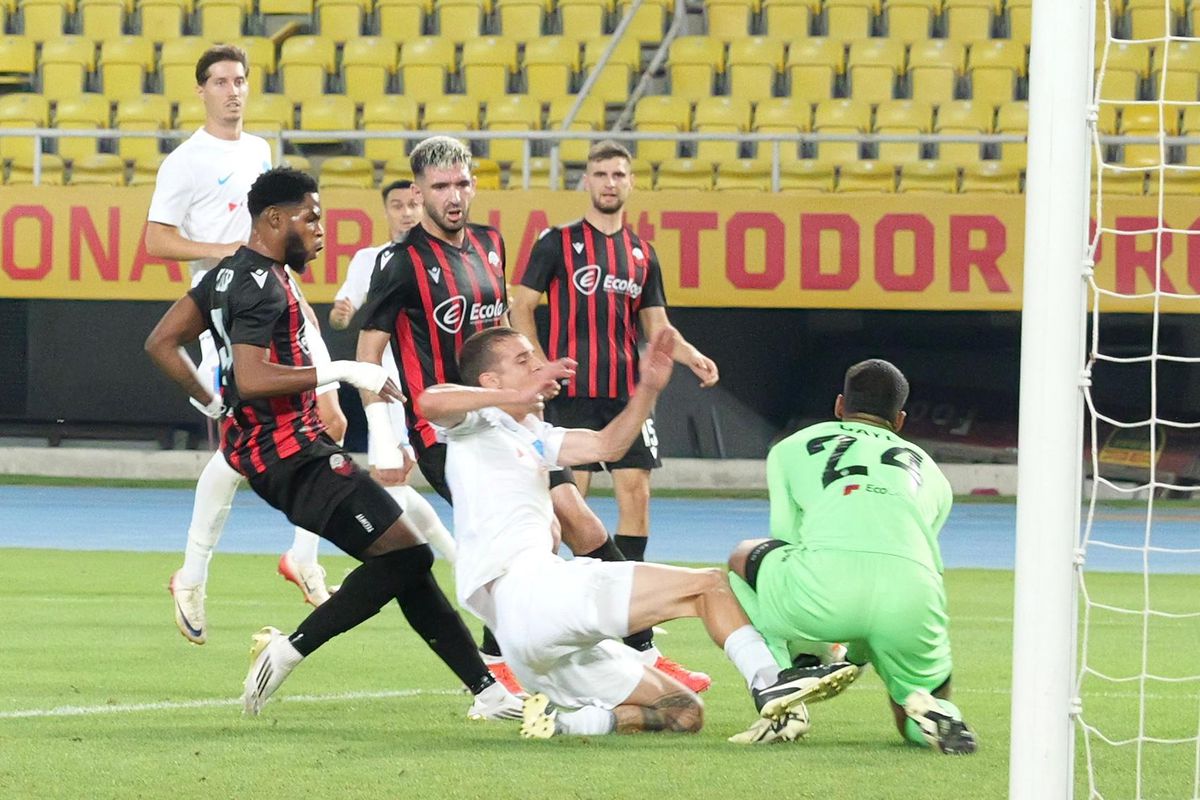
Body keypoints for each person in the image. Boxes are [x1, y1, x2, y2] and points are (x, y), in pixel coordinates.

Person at [144, 167, 522, 722]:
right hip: (290, 456)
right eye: (311, 218)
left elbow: (161, 341)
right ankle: (287, 650)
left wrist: (211, 401)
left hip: (287, 451)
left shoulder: (226, 275)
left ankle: (487, 692)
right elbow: (252, 376)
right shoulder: (260, 284)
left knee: (405, 558)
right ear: (275, 220)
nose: (321, 230)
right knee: (410, 555)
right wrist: (342, 370)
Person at [357, 136, 710, 694]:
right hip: (449, 432)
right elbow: (368, 354)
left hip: (511, 421)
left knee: (577, 524)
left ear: (474, 184)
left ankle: (621, 653)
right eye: (440, 187)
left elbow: (501, 328)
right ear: (419, 192)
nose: (453, 196)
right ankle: (543, 661)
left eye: (461, 183)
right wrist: (384, 437)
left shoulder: (489, 244)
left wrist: (531, 374)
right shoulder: (401, 265)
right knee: (545, 530)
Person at [417, 326, 858, 742]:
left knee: (682, 711)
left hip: (529, 638)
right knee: (709, 585)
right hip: (532, 591)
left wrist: (647, 389)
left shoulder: (534, 437)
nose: (538, 365)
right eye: (523, 360)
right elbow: (429, 401)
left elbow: (607, 445)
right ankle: (771, 683)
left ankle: (563, 724)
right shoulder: (475, 424)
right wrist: (513, 395)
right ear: (490, 380)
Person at [146, 44, 338, 645]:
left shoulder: (258, 150)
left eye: (240, 81)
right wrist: (223, 251)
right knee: (237, 450)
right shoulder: (185, 161)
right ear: (201, 90)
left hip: (279, 297)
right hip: (226, 308)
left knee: (331, 413)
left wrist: (297, 291)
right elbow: (156, 240)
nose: (233, 91)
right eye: (221, 81)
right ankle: (192, 575)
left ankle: (302, 557)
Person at [726, 360, 977, 755]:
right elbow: (908, 554)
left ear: (840, 404)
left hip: (824, 591)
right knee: (914, 702)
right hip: (912, 599)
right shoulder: (933, 474)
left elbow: (787, 539)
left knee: (743, 559)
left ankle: (780, 687)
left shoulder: (790, 448)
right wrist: (859, 655)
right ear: (899, 420)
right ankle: (936, 712)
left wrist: (827, 641)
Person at [509, 139, 719, 598]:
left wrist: (691, 355)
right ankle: (564, 597)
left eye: (618, 175)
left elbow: (657, 325)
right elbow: (521, 305)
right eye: (601, 175)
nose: (610, 183)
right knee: (571, 506)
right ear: (586, 181)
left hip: (625, 396)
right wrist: (539, 365)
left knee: (637, 494)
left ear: (631, 182)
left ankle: (627, 601)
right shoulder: (557, 242)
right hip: (570, 393)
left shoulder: (643, 253)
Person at [328, 179, 458, 566]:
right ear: (385, 212)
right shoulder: (370, 259)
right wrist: (341, 315)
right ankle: (444, 559)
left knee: (394, 477)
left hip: (427, 386)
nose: (406, 213)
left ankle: (403, 564)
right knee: (390, 475)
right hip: (383, 388)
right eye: (397, 206)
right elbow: (343, 309)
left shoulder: (444, 257)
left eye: (412, 205)